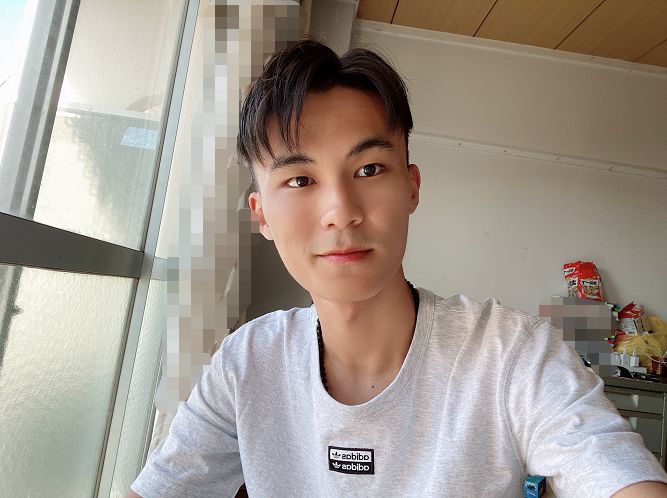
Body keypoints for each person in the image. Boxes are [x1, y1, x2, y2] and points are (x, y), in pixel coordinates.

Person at [128, 40, 667, 497]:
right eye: (300, 180)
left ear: (411, 188)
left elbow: (613, 470)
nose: (340, 211)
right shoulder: (246, 363)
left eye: (368, 169)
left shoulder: (508, 353)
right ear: (261, 214)